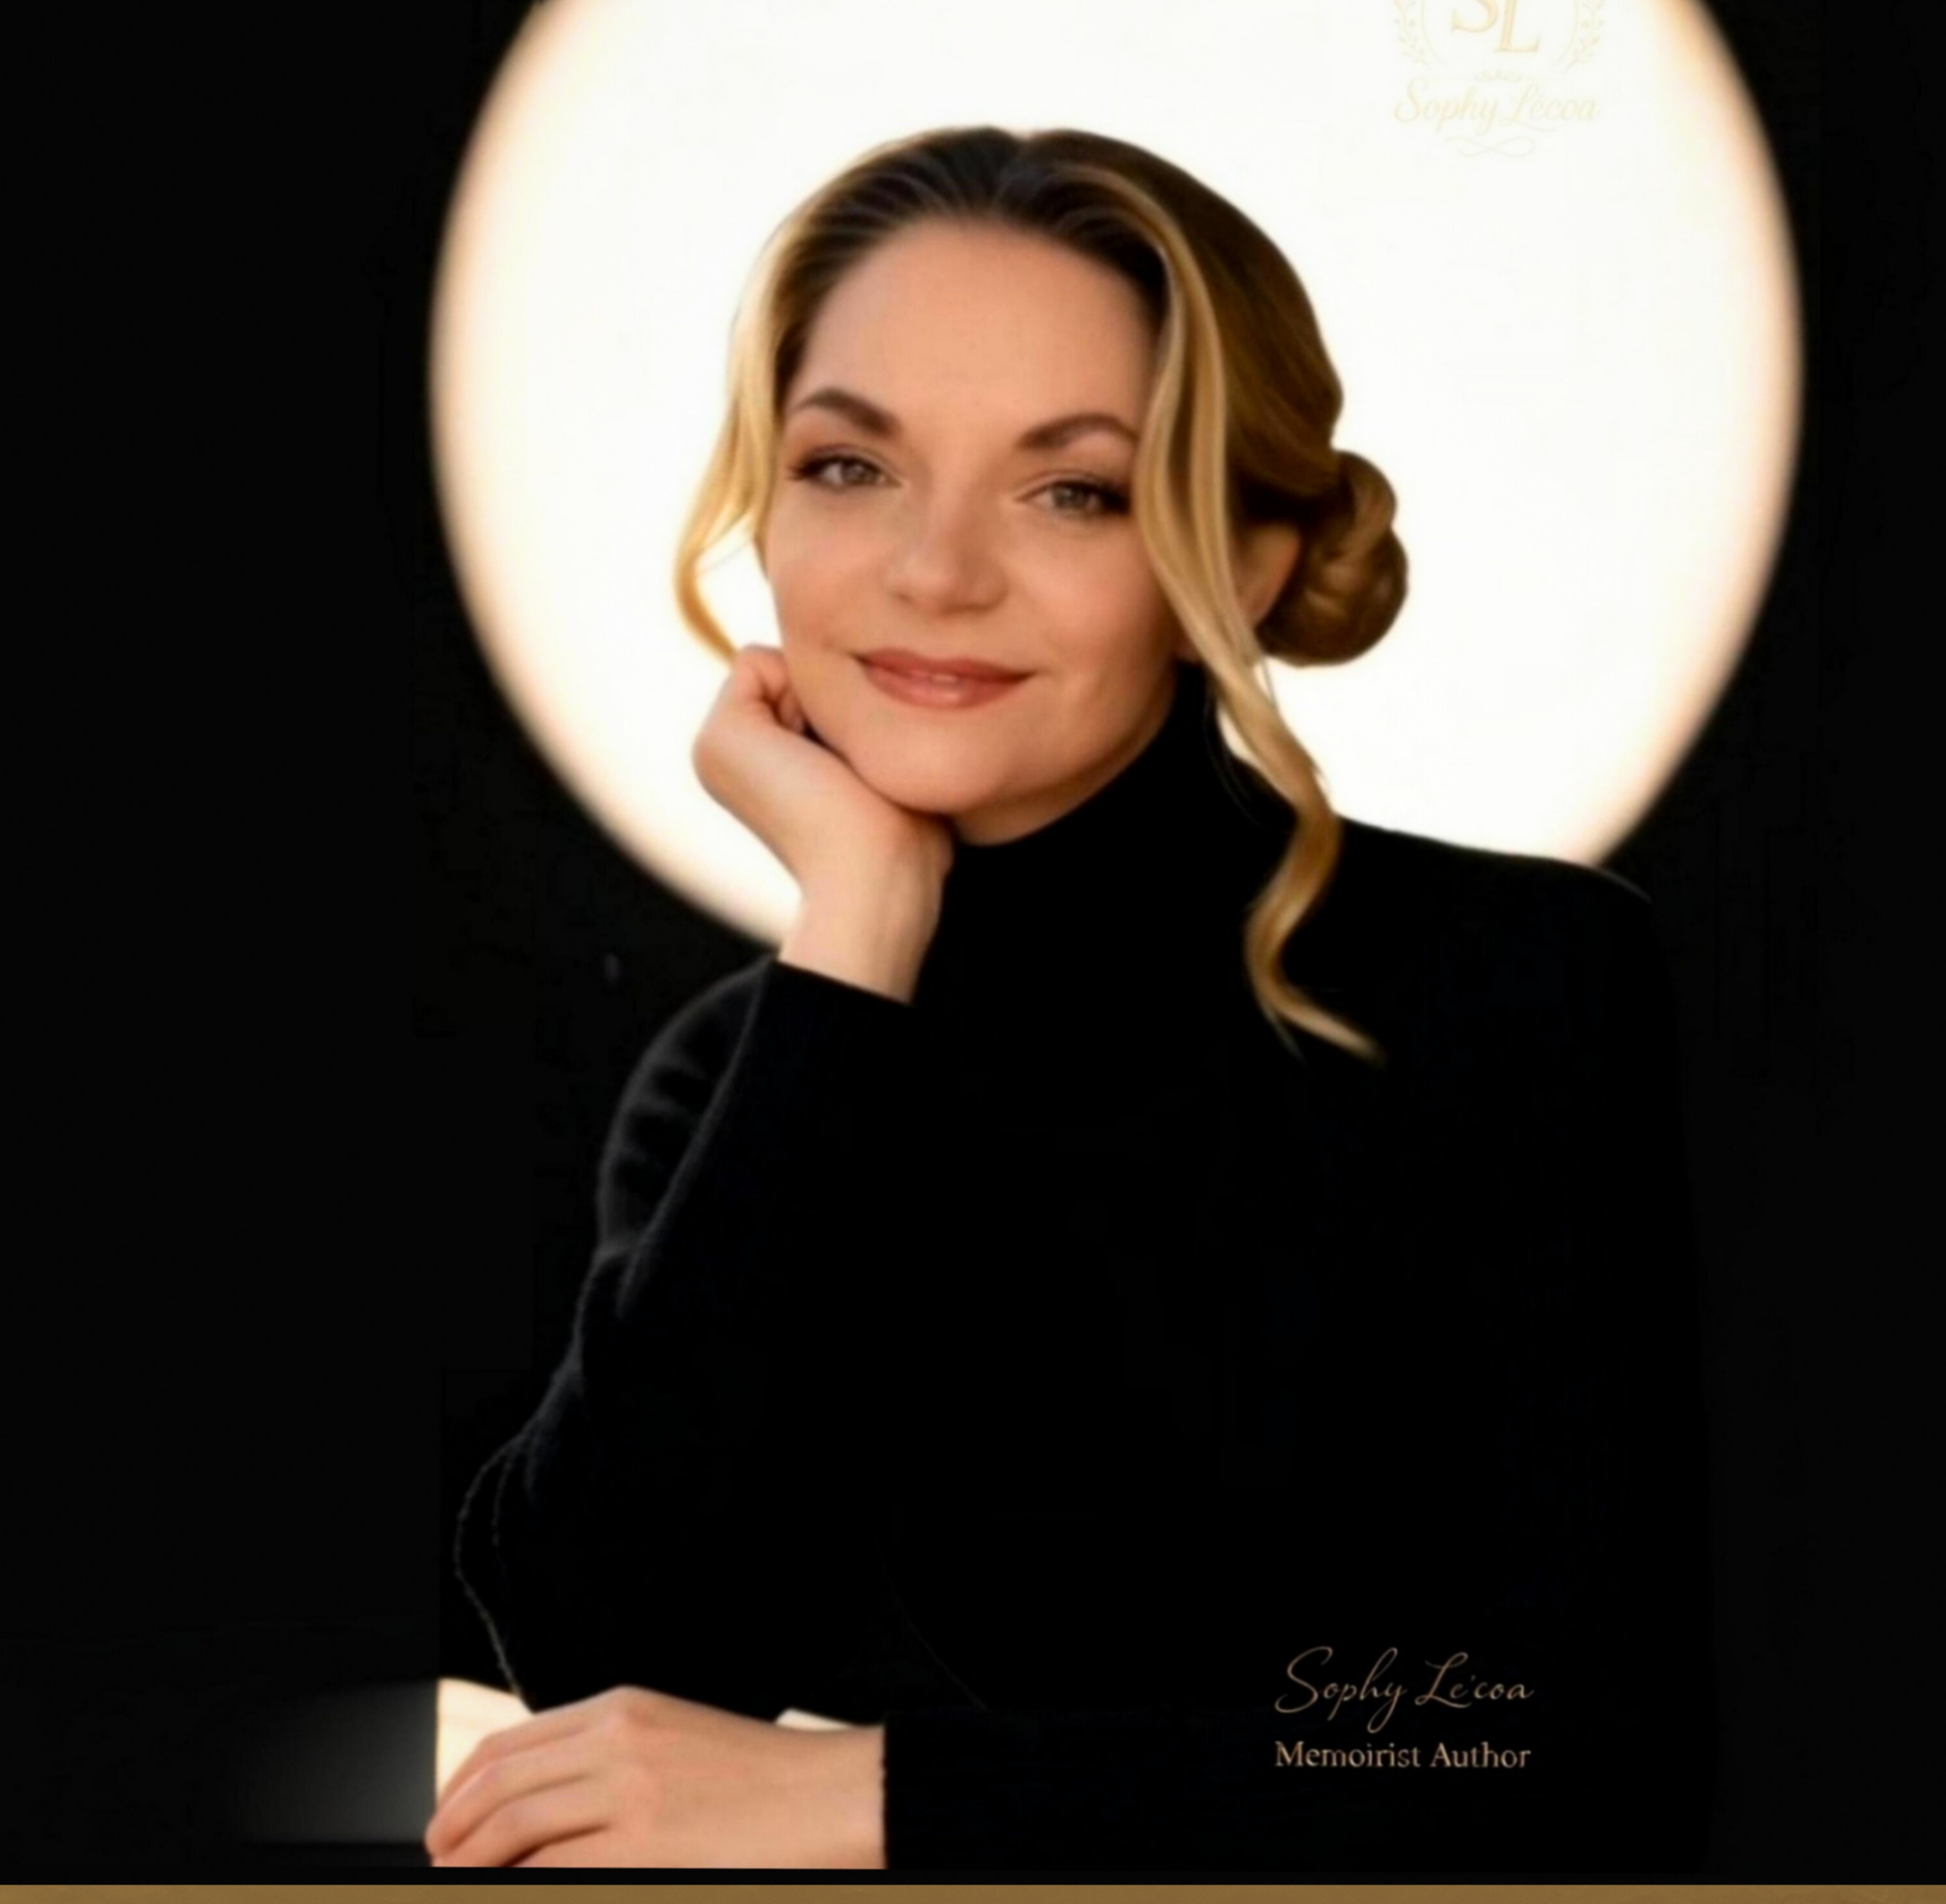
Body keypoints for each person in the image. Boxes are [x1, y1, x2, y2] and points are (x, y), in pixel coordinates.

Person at [431, 125, 1717, 1873]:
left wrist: (871, 1794)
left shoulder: (1516, 983)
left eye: (1071, 489)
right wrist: (859, 923)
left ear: (1245, 561)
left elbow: (1569, 1735)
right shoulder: (754, 1063)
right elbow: (601, 1668)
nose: (933, 569)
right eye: (847, 466)